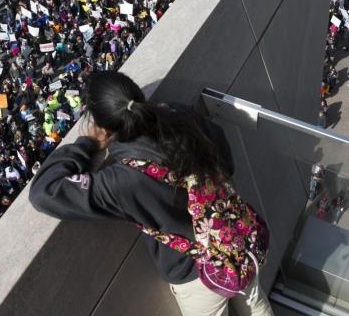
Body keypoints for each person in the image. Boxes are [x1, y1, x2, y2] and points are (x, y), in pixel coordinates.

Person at [30, 71, 274, 316]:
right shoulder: (180, 114)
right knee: (255, 304)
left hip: (197, 273)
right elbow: (226, 163)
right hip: (235, 237)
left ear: (103, 126)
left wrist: (86, 144)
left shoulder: (122, 179)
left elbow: (44, 192)